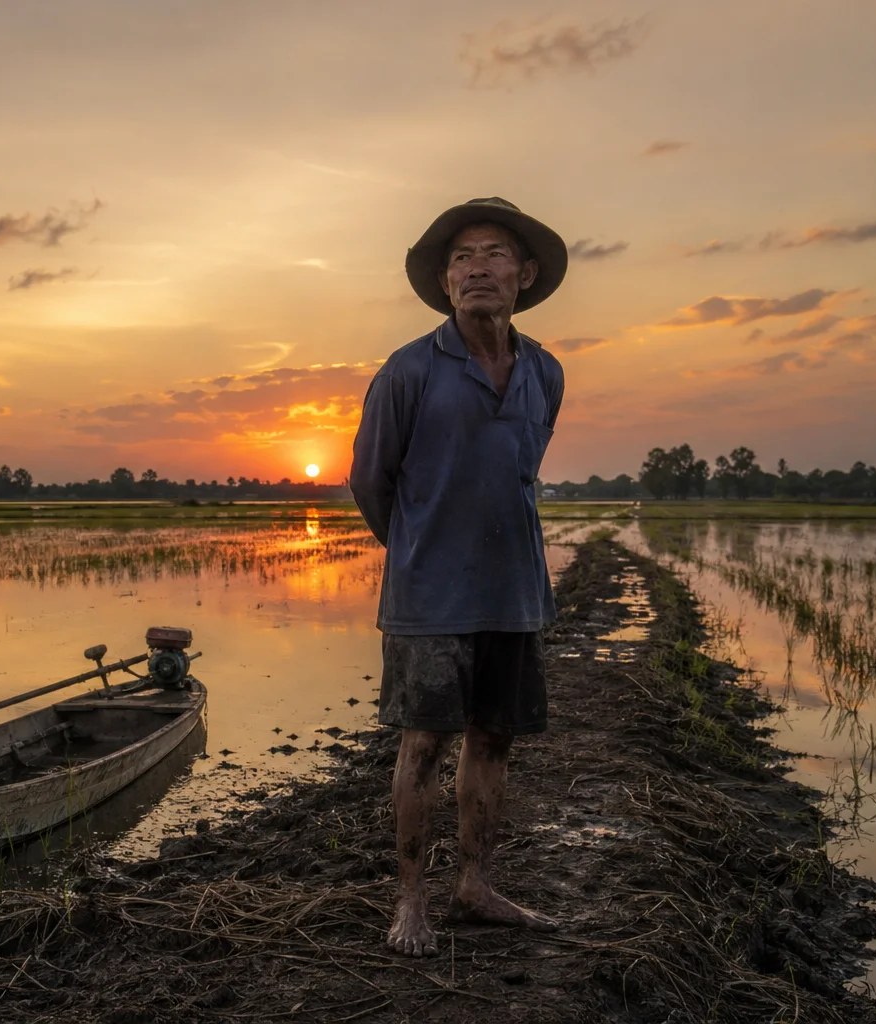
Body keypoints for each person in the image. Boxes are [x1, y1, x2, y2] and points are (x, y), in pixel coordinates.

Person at [349, 197, 568, 957]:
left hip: (512, 593)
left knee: (494, 740)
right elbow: (372, 483)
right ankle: (410, 901)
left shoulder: (545, 371)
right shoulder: (408, 371)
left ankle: (475, 885)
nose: (479, 267)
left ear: (526, 274)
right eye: (463, 257)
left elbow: (521, 472)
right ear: (445, 282)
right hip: (429, 599)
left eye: (496, 253)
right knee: (424, 746)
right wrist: (418, 551)